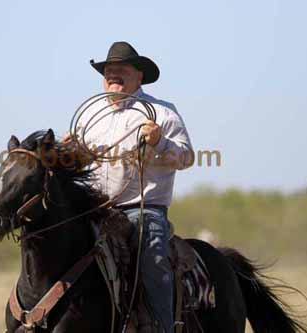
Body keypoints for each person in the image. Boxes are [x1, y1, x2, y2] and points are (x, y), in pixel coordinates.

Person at [64, 41, 193, 332]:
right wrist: (69, 154)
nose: (113, 74)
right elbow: (84, 163)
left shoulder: (163, 113)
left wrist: (160, 142)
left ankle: (162, 327)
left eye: (121, 70)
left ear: (139, 76)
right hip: (95, 209)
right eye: (109, 70)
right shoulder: (89, 115)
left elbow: (186, 157)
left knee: (153, 259)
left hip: (143, 210)